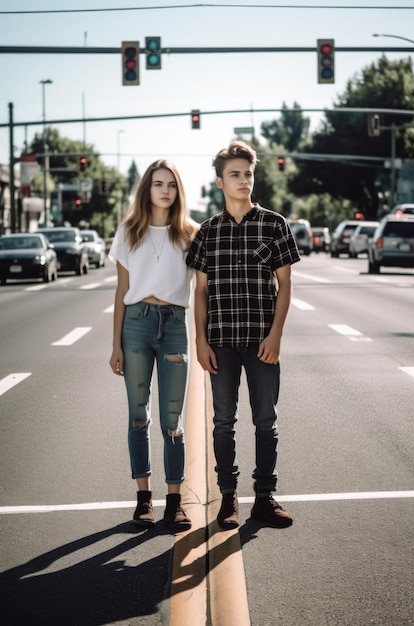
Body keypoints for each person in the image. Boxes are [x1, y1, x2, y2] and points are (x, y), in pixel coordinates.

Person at [186, 141, 300, 530]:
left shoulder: (274, 224)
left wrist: (276, 335)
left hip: (262, 340)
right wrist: (200, 341)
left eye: (248, 174)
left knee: (266, 421)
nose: (243, 181)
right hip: (220, 341)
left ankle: (265, 499)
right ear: (220, 181)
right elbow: (200, 291)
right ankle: (228, 498)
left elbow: (285, 285)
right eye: (235, 175)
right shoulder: (207, 232)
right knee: (223, 422)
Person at [109, 159, 198, 531]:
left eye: (171, 185)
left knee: (173, 420)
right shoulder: (129, 231)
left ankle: (174, 503)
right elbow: (121, 290)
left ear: (179, 191)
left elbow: (203, 291)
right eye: (158, 184)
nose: (165, 190)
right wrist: (115, 344)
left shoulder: (190, 234)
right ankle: (143, 499)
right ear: (146, 189)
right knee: (138, 415)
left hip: (175, 325)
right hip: (136, 326)